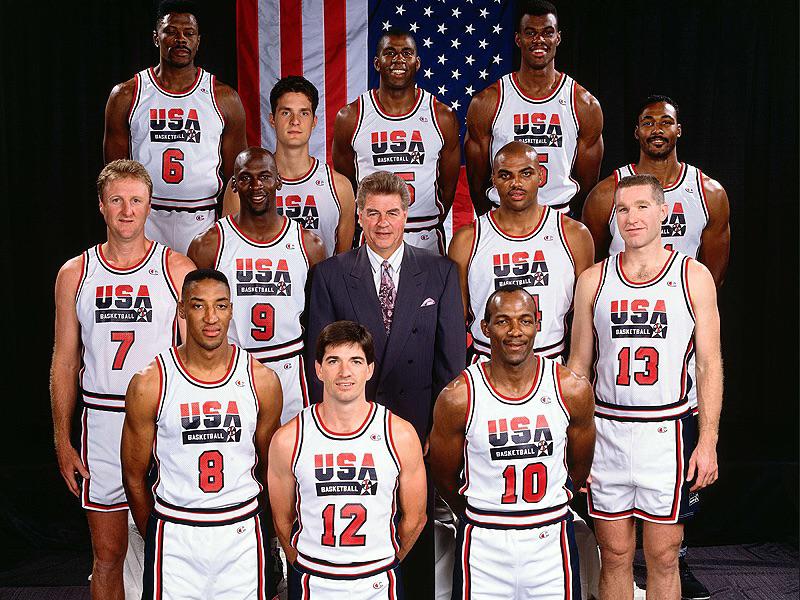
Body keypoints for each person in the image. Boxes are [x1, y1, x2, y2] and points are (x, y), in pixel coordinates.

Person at [581, 95, 730, 599]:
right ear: (613, 217)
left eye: (643, 206)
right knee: (615, 555)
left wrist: (707, 442)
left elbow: (710, 364)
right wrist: (573, 441)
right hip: (607, 429)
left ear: (664, 212)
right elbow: (578, 368)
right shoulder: (593, 280)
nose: (632, 217)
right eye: (623, 209)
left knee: (665, 556)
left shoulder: (693, 276)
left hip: (668, 429)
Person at [305, 170, 466, 598]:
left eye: (392, 213)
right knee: (358, 534)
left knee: (414, 527)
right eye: (372, 213)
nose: (382, 223)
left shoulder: (441, 272)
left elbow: (451, 367)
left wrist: (438, 429)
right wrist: (334, 431)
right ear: (358, 215)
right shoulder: (330, 275)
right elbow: (318, 364)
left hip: (417, 431)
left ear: (406, 214)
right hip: (351, 430)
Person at [49, 160, 195, 599]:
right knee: (107, 555)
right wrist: (61, 436)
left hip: (161, 421)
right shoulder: (75, 272)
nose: (127, 211)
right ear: (101, 206)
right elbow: (64, 359)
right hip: (102, 422)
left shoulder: (177, 269)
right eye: (117, 200)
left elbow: (199, 362)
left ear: (149, 205)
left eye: (135, 200)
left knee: (176, 553)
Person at [121, 269, 283, 599]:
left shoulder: (261, 381)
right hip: (176, 535)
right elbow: (134, 478)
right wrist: (159, 531)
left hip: (240, 533)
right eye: (198, 306)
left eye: (221, 306)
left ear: (231, 310)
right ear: (181, 310)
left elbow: (273, 472)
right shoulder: (150, 383)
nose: (211, 317)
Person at [429, 286, 595, 599]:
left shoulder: (570, 389)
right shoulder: (458, 397)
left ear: (537, 324)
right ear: (485, 327)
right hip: (484, 543)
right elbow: (443, 475)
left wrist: (558, 497)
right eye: (503, 321)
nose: (515, 331)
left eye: (525, 321)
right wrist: (477, 510)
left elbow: (579, 465)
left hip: (549, 540)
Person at [269, 321, 427, 599]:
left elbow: (415, 519)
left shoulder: (399, 434)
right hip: (313, 580)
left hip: (378, 580)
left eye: (355, 360)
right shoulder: (288, 438)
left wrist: (383, 561)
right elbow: (282, 521)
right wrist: (304, 564)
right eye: (333, 361)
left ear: (369, 369)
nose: (345, 372)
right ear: (318, 369)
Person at [189, 147, 326, 425]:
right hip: (232, 365)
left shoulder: (308, 245)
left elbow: (318, 322)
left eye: (264, 177)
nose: (255, 186)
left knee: (288, 460)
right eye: (245, 178)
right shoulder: (209, 244)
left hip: (288, 365)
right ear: (234, 185)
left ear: (279, 181)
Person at [104, 0, 247, 254]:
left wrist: (229, 230)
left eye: (189, 33)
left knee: (198, 292)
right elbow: (113, 175)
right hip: (145, 216)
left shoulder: (223, 97)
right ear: (156, 37)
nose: (181, 39)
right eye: (171, 31)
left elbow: (236, 175)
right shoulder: (128, 94)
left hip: (202, 218)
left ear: (198, 40)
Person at [449, 141, 594, 362]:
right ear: (494, 181)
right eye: (506, 175)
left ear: (541, 176)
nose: (516, 183)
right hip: (487, 362)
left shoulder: (574, 235)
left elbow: (585, 318)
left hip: (551, 360)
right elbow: (455, 321)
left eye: (526, 174)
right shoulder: (467, 239)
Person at [465, 0, 603, 217]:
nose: (539, 40)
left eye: (547, 32)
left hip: (559, 216)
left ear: (558, 37)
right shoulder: (488, 101)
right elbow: (476, 180)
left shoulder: (584, 103)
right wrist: (493, 218)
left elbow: (588, 185)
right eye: (530, 33)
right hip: (503, 216)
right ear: (518, 39)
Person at [332, 29, 461, 254]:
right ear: (377, 63)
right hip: (373, 234)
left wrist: (427, 217)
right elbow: (347, 185)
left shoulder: (441, 116)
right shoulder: (351, 116)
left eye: (406, 53)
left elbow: (447, 187)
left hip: (424, 233)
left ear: (417, 62)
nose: (398, 59)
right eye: (390, 53)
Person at [582, 94, 730, 285]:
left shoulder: (709, 193)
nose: (657, 130)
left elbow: (713, 278)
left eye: (666, 123)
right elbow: (591, 270)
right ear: (637, 132)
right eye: (648, 123)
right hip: (622, 305)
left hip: (681, 305)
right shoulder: (606, 193)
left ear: (679, 130)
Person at [272, 76, 355, 256]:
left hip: (319, 284)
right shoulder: (244, 187)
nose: (295, 121)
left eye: (304, 113)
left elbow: (341, 265)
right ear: (272, 120)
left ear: (314, 121)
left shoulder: (340, 187)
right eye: (286, 112)